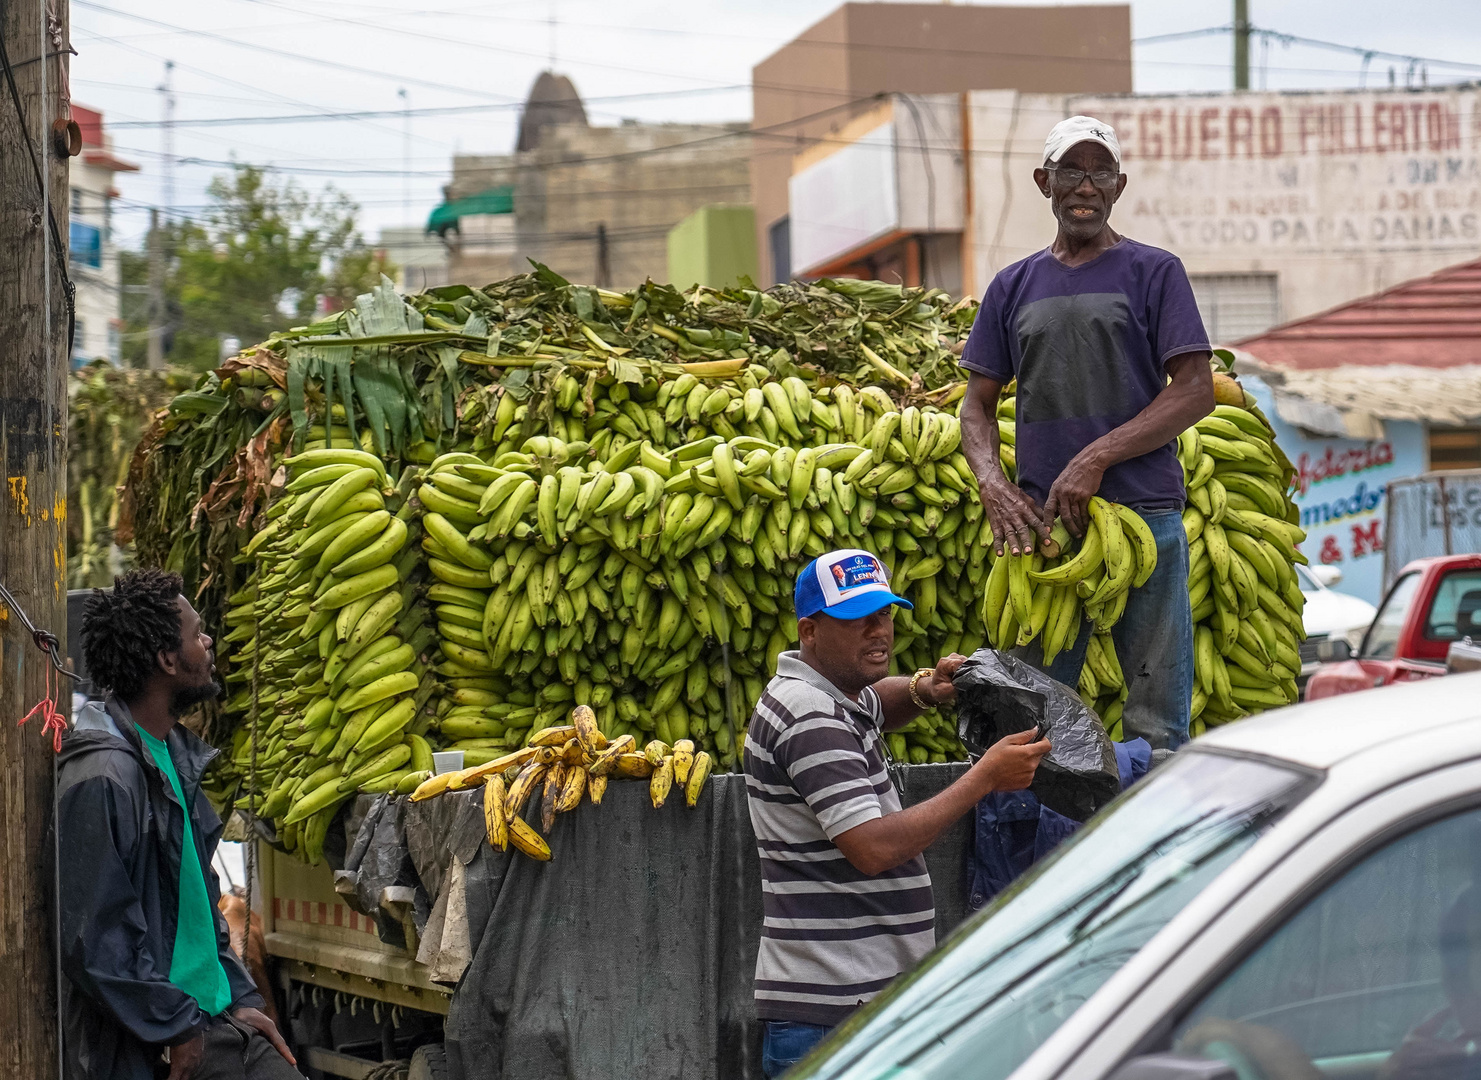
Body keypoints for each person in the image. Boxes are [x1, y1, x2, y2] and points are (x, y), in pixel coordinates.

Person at [958, 114, 1215, 749]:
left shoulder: (1154, 273)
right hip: (1047, 527)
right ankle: (1042, 842)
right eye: (1071, 170)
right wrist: (992, 483)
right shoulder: (1012, 286)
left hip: (1144, 518)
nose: (1086, 185)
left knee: (1157, 715)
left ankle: (1155, 839)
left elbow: (1195, 390)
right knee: (1032, 719)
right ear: (1044, 181)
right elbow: (977, 406)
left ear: (1119, 186)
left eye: (1100, 172)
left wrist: (1096, 456)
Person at [743, 549, 1052, 1077]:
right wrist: (984, 779)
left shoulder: (831, 694)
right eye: (856, 620)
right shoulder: (811, 716)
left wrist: (925, 689)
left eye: (883, 614)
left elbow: (877, 703)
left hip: (849, 1008)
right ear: (810, 632)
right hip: (833, 1016)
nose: (877, 631)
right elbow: (873, 847)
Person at [58, 569, 300, 1080]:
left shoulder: (169, 756)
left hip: (212, 1022)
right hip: (157, 1043)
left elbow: (194, 905)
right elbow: (96, 940)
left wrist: (238, 995)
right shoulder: (105, 775)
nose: (208, 642)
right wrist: (176, 1028)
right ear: (168, 660)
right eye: (197, 634)